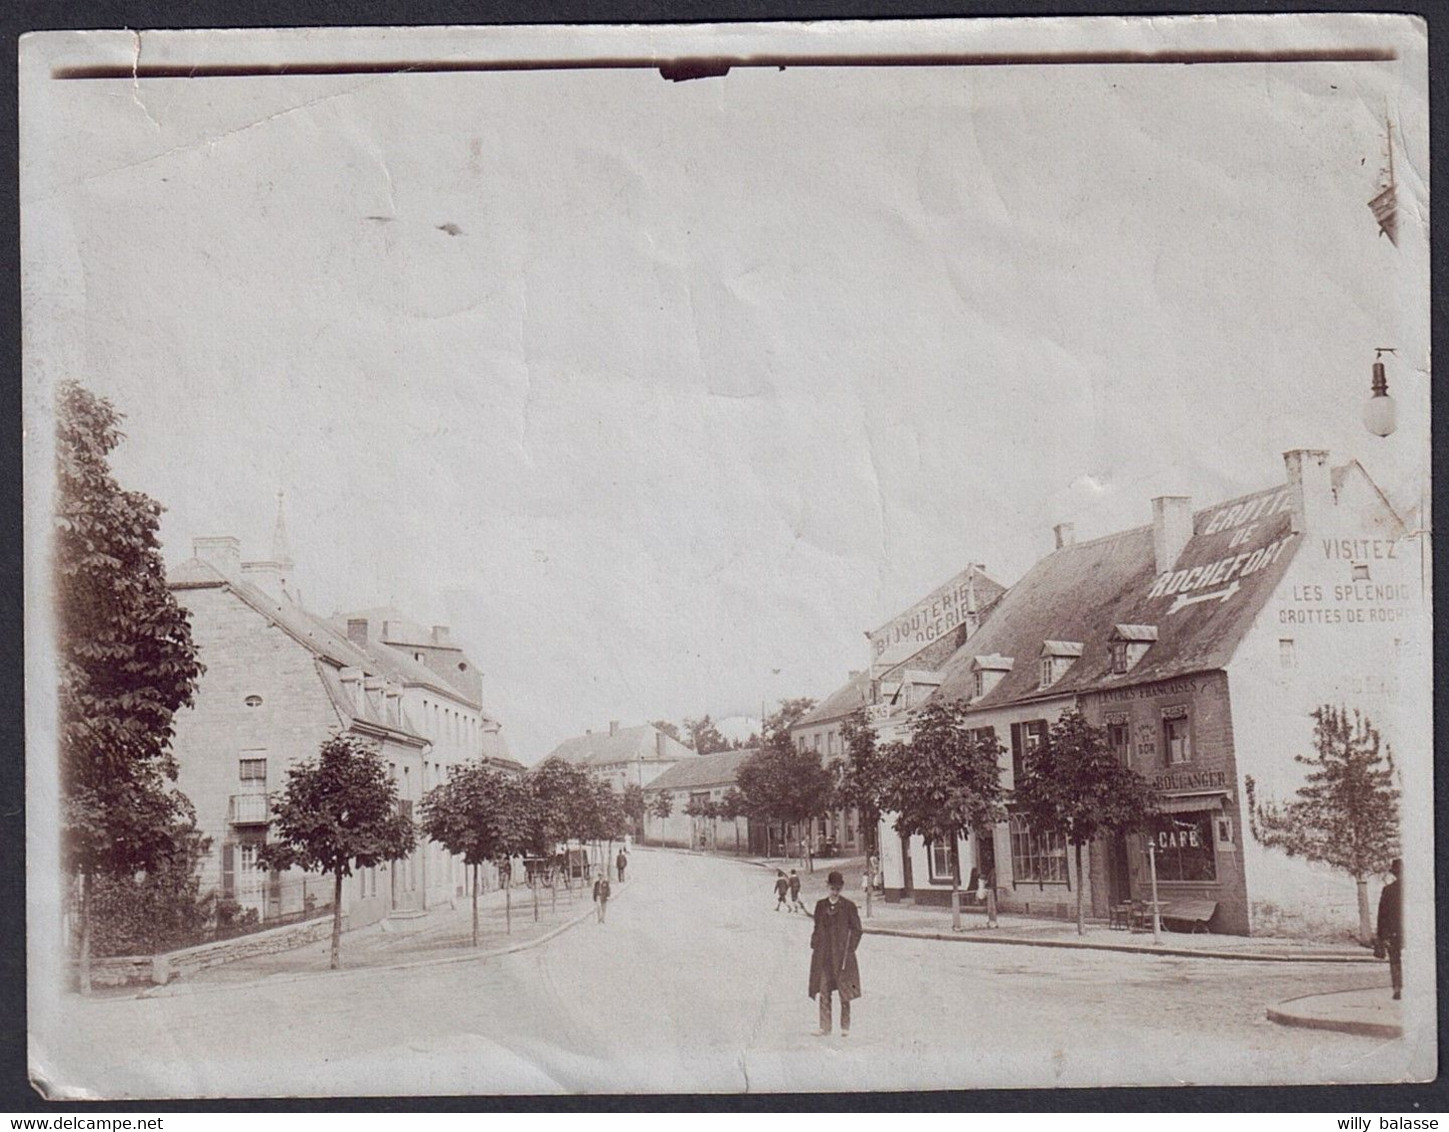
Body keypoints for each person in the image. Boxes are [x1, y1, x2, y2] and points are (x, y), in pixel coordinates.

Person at [808, 870, 862, 1037]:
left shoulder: (848, 906)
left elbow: (857, 930)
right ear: (827, 887)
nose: (835, 892)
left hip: (842, 957)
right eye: (832, 888)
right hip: (824, 957)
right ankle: (825, 1027)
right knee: (824, 990)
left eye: (838, 889)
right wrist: (815, 943)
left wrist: (850, 948)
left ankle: (845, 1027)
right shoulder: (820, 906)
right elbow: (816, 927)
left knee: (844, 991)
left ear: (842, 888)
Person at [1376, 857, 1403, 1000]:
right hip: (1412, 932)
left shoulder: (1388, 890)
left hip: (1394, 933)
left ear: (1394, 873)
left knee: (1395, 961)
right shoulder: (1417, 889)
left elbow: (1382, 916)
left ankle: (1398, 988)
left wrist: (1382, 936)